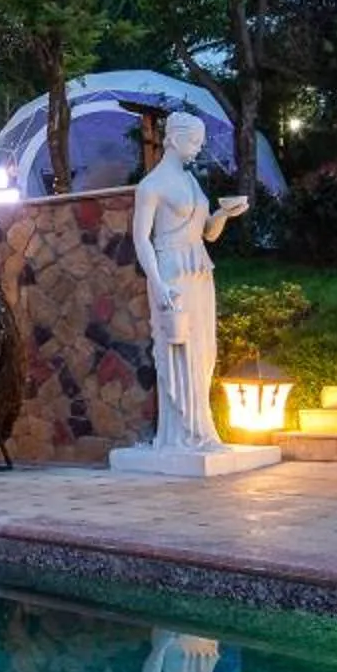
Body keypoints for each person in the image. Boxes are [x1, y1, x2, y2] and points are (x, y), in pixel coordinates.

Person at [128, 114, 250, 454]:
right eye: (195, 142)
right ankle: (185, 433)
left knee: (204, 351)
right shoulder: (150, 187)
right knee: (179, 351)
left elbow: (207, 232)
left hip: (199, 269)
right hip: (171, 273)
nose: (199, 149)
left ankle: (202, 429)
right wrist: (157, 283)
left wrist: (225, 214)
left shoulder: (192, 183)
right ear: (176, 139)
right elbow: (141, 240)